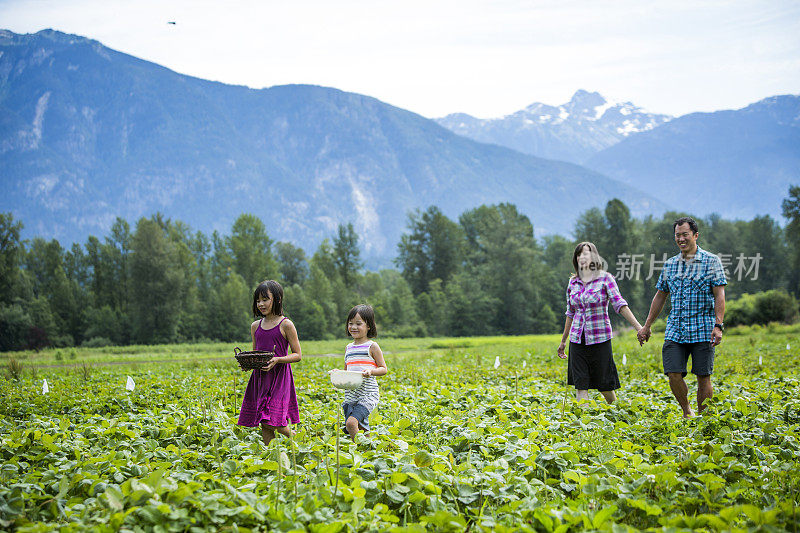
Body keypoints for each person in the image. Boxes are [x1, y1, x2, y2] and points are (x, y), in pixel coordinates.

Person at [637, 217, 726, 418]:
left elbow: (719, 295)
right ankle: (687, 411)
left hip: (703, 328)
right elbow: (660, 296)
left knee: (703, 376)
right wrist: (647, 325)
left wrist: (718, 325)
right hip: (676, 329)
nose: (681, 238)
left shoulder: (712, 261)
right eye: (677, 235)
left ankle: (705, 421)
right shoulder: (670, 265)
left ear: (695, 235)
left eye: (685, 234)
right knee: (673, 373)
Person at [557, 242, 643, 403]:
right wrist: (563, 341)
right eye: (579, 254)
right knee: (580, 383)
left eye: (586, 253)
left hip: (600, 338)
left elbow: (619, 304)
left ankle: (616, 410)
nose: (582, 257)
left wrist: (639, 327)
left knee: (604, 385)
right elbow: (570, 312)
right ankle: (584, 425)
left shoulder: (605, 278)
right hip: (577, 339)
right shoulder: (572, 283)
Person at [237, 280, 302, 445]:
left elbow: (297, 355)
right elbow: (255, 353)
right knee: (263, 421)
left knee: (271, 419)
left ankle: (295, 436)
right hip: (260, 378)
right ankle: (270, 455)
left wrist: (278, 359)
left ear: (277, 299)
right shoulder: (255, 326)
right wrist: (248, 364)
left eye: (265, 299)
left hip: (279, 377)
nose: (261, 304)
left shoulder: (286, 324)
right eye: (258, 300)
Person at [342, 304, 387, 440]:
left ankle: (358, 449)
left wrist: (371, 371)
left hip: (367, 394)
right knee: (360, 427)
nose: (354, 327)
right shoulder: (348, 348)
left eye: (358, 324)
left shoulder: (372, 346)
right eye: (351, 323)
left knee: (351, 423)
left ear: (368, 326)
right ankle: (368, 452)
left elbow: (383, 369)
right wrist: (337, 374)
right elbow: (346, 372)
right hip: (351, 395)